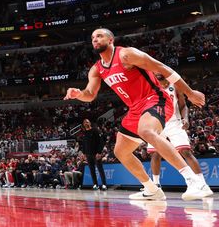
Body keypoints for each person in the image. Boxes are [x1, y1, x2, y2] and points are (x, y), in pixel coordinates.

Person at [64, 28, 213, 201]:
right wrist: (78, 94)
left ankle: (195, 181)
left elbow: (162, 68)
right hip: (135, 108)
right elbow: (90, 94)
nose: (95, 39)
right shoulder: (96, 69)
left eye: (99, 36)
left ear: (111, 40)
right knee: (121, 151)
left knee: (146, 131)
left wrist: (189, 92)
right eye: (92, 37)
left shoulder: (127, 55)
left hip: (155, 99)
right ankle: (152, 189)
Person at [145, 73, 211, 193]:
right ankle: (156, 186)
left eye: (159, 70)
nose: (157, 73)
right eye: (154, 71)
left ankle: (203, 185)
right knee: (155, 154)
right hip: (156, 122)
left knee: (186, 152)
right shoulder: (150, 86)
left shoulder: (175, 85)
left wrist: (185, 118)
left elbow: (183, 106)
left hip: (174, 122)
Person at [79, 119, 107, 190]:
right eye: (85, 122)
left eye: (87, 122)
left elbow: (101, 141)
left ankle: (104, 184)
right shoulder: (85, 133)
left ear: (90, 123)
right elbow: (84, 144)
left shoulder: (95, 130)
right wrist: (84, 153)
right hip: (88, 155)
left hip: (96, 154)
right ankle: (95, 184)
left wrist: (99, 152)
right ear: (83, 124)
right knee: (92, 170)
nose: (86, 123)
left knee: (100, 169)